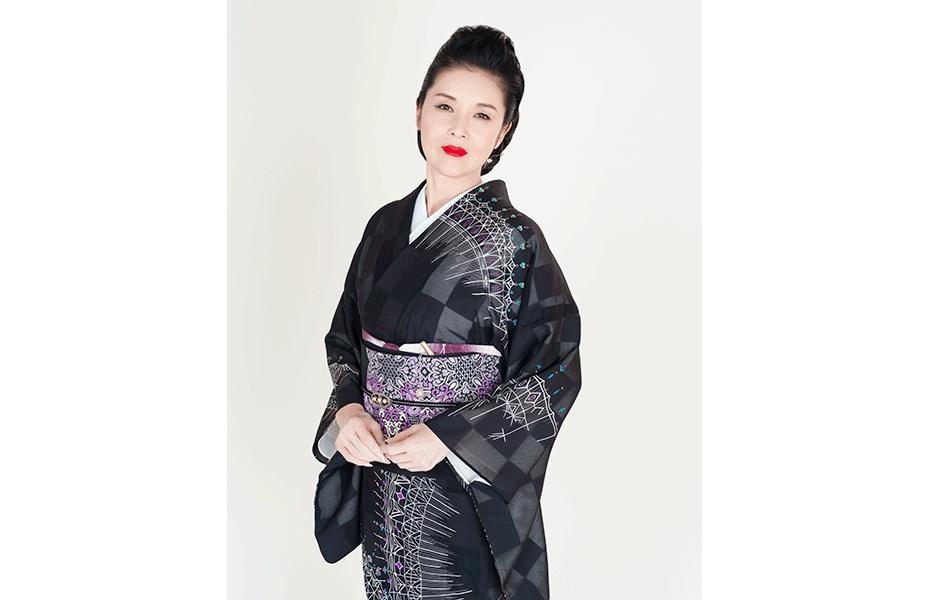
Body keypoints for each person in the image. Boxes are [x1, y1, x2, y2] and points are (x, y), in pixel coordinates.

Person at [312, 25, 582, 600]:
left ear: (503, 131)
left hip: (465, 497)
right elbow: (345, 341)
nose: (459, 128)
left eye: (483, 115)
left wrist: (452, 438)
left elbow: (556, 373)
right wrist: (351, 411)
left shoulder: (516, 242)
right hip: (382, 480)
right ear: (418, 112)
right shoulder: (383, 227)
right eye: (444, 106)